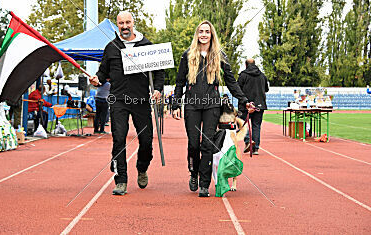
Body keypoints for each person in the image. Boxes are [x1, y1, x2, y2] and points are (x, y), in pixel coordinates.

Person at [172, 20, 253, 197]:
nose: (203, 34)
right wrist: (176, 103)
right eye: (201, 31)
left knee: (207, 144)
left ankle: (204, 183)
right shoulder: (187, 55)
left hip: (212, 105)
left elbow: (231, 82)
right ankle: (193, 173)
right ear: (197, 34)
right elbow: (179, 82)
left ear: (211, 34)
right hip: (192, 105)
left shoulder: (220, 56)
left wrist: (244, 100)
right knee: (193, 144)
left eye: (207, 32)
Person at [89, 11, 165, 195]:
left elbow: (159, 72)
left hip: (141, 100)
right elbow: (102, 72)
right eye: (121, 23)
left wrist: (158, 89)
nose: (124, 26)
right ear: (117, 25)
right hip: (118, 100)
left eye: (127, 22)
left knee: (146, 140)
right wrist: (96, 79)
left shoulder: (146, 45)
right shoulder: (111, 47)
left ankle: (142, 167)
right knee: (119, 139)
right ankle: (121, 179)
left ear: (133, 23)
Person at [238, 58, 269, 155]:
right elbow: (266, 89)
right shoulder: (262, 76)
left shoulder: (243, 75)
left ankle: (248, 141)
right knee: (256, 126)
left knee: (243, 124)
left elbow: (237, 89)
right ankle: (255, 148)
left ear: (246, 65)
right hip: (260, 104)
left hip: (246, 105)